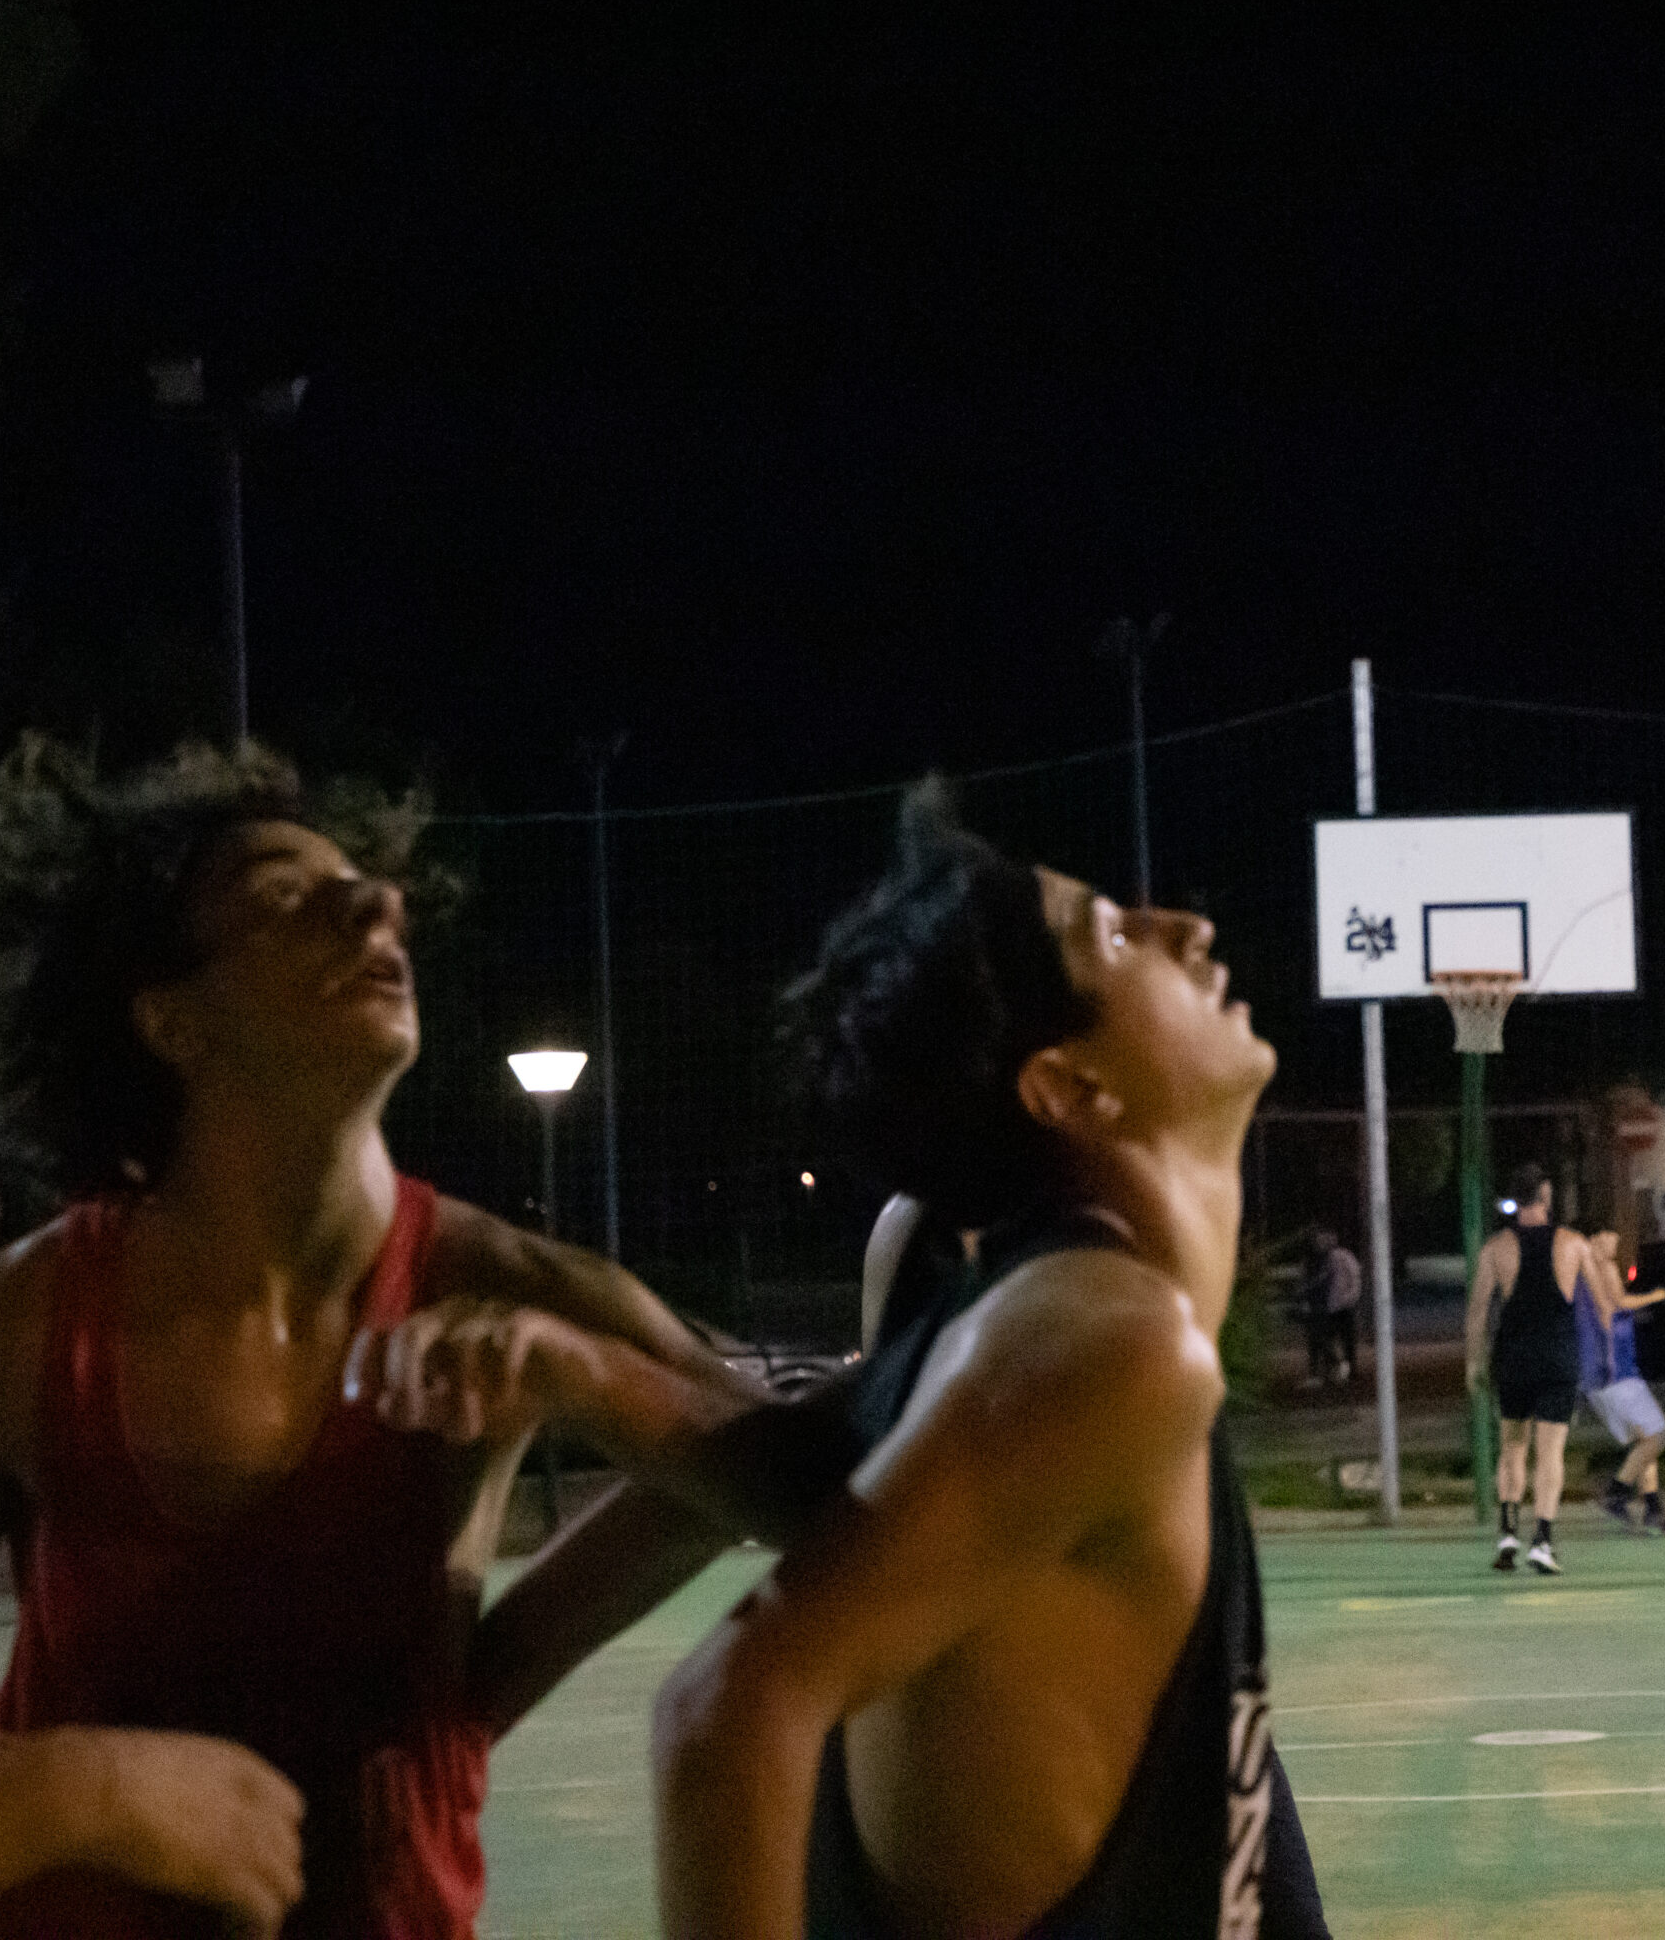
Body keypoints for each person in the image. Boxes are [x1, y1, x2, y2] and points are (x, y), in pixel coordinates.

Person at [365, 788, 1330, 1938]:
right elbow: (726, 1711)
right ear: (1069, 1085)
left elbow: (811, 1481)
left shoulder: (991, 1297)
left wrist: (588, 1379)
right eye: (1115, 933)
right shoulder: (1112, 1341)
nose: (1186, 926)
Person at [0, 736, 822, 1937]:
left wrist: (587, 1380)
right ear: (170, 1020)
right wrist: (84, 1789)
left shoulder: (519, 1288)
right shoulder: (13, 1325)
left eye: (366, 883)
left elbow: (827, 1496)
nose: (375, 902)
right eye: (284, 897)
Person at [1464, 1164, 1617, 1574]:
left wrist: (1473, 1363)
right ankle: (1543, 1541)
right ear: (1546, 1197)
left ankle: (1508, 1533)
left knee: (1512, 1446)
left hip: (1513, 1357)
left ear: (1515, 1201)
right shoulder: (1573, 1243)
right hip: (1557, 1357)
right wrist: (1608, 1356)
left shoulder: (1496, 1248)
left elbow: (1477, 1312)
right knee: (1550, 1453)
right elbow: (1603, 1307)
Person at [1574, 1228, 1665, 1534]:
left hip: (1598, 1376)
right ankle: (1616, 1493)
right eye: (1608, 1239)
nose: (1614, 1247)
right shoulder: (1602, 1267)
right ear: (1593, 1239)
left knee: (1645, 1440)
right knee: (1659, 1436)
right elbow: (1619, 1302)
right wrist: (1656, 1296)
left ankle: (1653, 1508)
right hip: (1616, 1372)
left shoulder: (1577, 1276)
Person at [1304, 1227, 1362, 1387]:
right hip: (1330, 1307)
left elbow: (1354, 1277)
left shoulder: (1341, 1256)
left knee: (1344, 1340)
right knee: (1327, 1340)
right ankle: (1333, 1371)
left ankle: (1347, 1371)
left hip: (1341, 1306)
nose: (1321, 1243)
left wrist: (1349, 1298)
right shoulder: (1319, 1259)